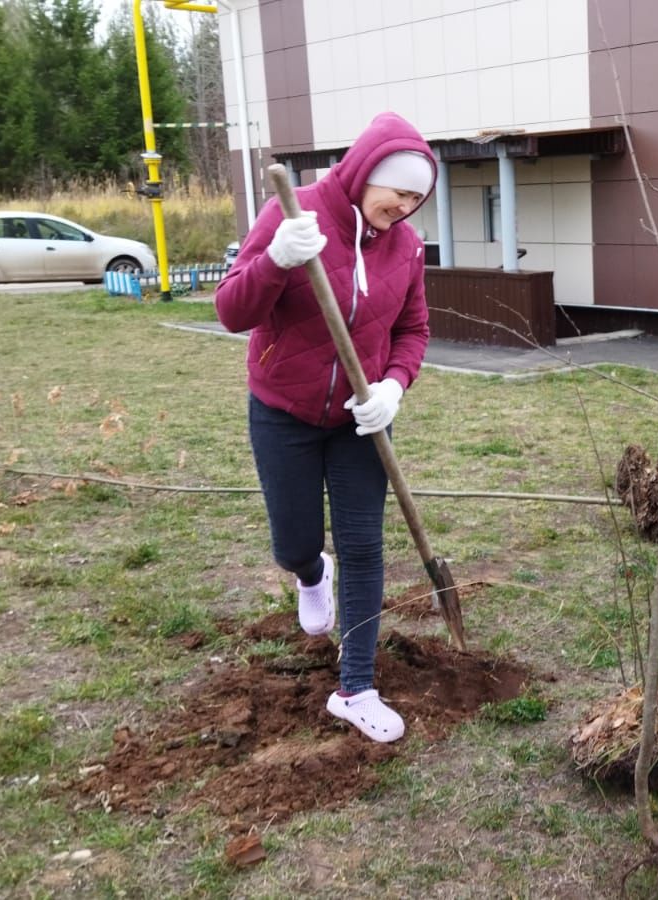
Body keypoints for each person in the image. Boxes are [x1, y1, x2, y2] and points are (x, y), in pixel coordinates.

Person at [216, 112, 436, 743]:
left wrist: (393, 386)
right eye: (398, 191)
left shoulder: (408, 247)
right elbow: (233, 311)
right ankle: (311, 573)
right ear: (366, 172)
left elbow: (413, 331)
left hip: (359, 422)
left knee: (366, 547)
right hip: (283, 409)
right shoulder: (295, 216)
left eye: (417, 197)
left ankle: (356, 686)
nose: (406, 206)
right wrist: (277, 260)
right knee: (293, 540)